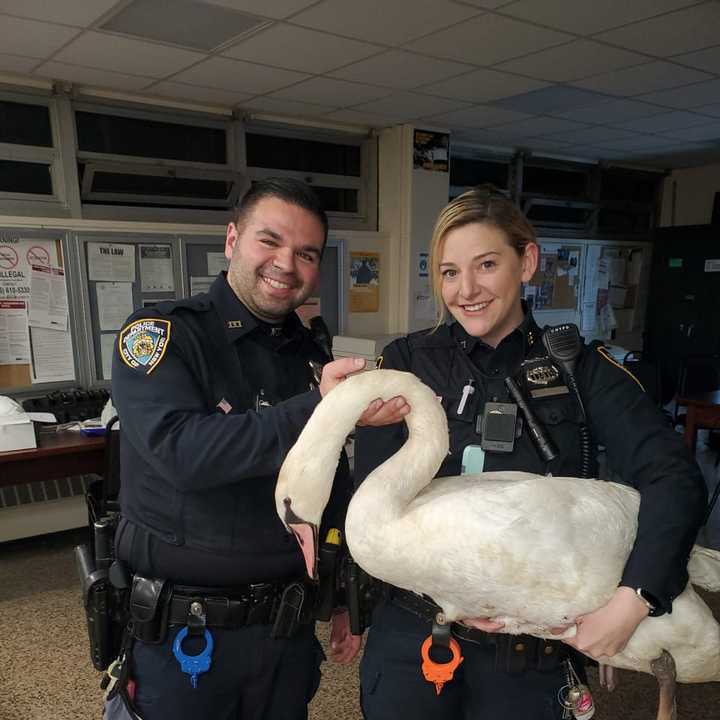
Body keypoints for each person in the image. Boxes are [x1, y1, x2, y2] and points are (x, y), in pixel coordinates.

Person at [354, 185, 707, 720]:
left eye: (486, 265)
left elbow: (673, 477)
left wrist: (635, 598)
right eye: (449, 272)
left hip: (529, 658)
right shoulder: (408, 364)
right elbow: (370, 492)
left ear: (528, 261)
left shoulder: (583, 370)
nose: (466, 289)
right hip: (416, 636)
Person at [108, 178, 408, 720]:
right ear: (231, 240)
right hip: (185, 634)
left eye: (306, 253)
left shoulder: (309, 350)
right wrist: (318, 407)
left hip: (284, 628)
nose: (286, 264)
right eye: (268, 241)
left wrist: (346, 593)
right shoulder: (163, 336)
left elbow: (327, 481)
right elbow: (184, 454)